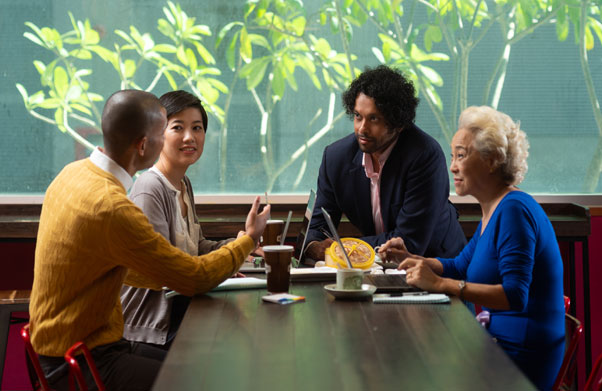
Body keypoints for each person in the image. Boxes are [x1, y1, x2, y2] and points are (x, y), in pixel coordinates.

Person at [29, 89, 270, 391]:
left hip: (73, 347)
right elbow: (191, 278)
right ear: (144, 145)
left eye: (196, 128)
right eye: (166, 131)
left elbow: (157, 268)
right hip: (81, 361)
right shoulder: (113, 208)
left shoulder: (71, 173)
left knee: (196, 367)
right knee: (205, 379)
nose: (182, 138)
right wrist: (248, 240)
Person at [379, 106, 565, 390]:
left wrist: (441, 283)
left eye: (461, 156)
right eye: (452, 156)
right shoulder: (494, 209)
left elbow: (515, 296)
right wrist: (412, 259)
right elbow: (461, 265)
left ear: (492, 160)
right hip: (497, 342)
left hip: (520, 356)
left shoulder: (514, 210)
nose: (452, 166)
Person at [120, 90, 246, 349]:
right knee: (233, 337)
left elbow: (197, 248)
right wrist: (235, 252)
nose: (190, 137)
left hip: (179, 310)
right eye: (178, 127)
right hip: (151, 329)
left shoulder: (183, 184)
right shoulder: (149, 188)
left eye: (197, 128)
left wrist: (243, 245)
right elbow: (166, 273)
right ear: (158, 134)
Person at [304, 65, 465, 262]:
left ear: (398, 123)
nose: (362, 128)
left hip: (439, 266)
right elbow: (316, 229)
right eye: (357, 116)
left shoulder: (424, 155)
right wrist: (314, 247)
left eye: (373, 119)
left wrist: (343, 248)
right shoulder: (336, 158)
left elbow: (408, 242)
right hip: (374, 270)